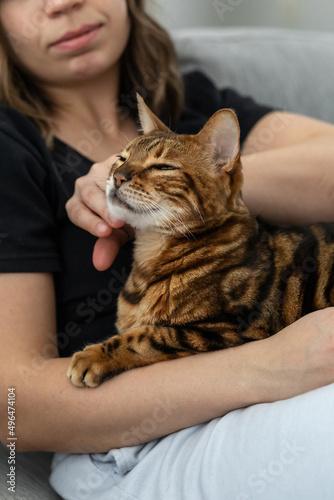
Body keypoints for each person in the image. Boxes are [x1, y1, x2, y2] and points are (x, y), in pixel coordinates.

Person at [0, 1, 334, 499]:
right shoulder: (10, 149)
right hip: (138, 447)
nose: (63, 2)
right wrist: (274, 365)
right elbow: (13, 408)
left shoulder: (190, 100)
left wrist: (210, 182)